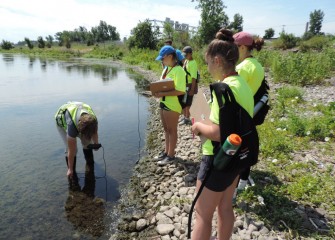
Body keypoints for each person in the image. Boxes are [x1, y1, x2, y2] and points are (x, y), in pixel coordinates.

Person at [191, 29, 254, 240]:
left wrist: (199, 126)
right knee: (225, 207)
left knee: (202, 213)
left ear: (217, 61)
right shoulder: (242, 84)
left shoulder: (223, 89)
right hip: (237, 156)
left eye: (208, 63)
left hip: (217, 159)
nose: (207, 68)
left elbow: (218, 133)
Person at [233, 32, 265, 191]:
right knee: (245, 145)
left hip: (239, 112)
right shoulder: (257, 65)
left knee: (237, 147)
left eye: (234, 47)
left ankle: (237, 183)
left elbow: (232, 90)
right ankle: (243, 180)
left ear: (243, 47)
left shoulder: (243, 67)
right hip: (250, 110)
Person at [153, 45, 186, 166]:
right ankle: (166, 152)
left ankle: (171, 155)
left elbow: (181, 90)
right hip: (163, 102)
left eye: (163, 58)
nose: (161, 60)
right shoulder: (166, 68)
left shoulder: (179, 71)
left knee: (172, 130)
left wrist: (162, 93)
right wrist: (156, 91)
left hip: (173, 104)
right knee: (166, 129)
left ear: (170, 56)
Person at [55, 101, 99, 184]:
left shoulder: (94, 121)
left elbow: (95, 133)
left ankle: (90, 164)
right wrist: (70, 169)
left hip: (78, 111)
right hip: (62, 119)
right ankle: (72, 173)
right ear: (80, 130)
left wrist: (96, 144)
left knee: (87, 143)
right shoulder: (72, 127)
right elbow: (71, 151)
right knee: (73, 150)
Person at [180, 46, 198, 125]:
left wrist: (192, 89)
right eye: (184, 54)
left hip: (190, 85)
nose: (185, 56)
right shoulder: (186, 61)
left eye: (186, 54)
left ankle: (187, 118)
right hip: (185, 85)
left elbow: (194, 78)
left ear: (190, 53)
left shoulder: (193, 63)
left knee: (188, 103)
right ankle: (185, 117)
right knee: (183, 101)